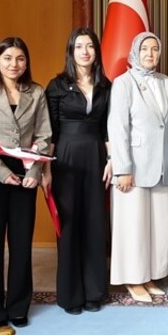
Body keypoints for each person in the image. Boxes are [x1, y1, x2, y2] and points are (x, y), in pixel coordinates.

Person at [0, 37, 52, 329]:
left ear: (26, 62)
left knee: (21, 243)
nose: (13, 64)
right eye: (7, 58)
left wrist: (34, 171)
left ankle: (18, 306)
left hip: (26, 171)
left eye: (19, 58)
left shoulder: (36, 92)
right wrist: (1, 172)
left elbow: (44, 136)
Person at [46, 28, 112, 315]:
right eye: (79, 47)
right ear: (71, 52)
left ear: (96, 52)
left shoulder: (105, 85)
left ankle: (94, 291)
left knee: (95, 224)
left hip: (97, 156)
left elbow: (108, 128)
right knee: (70, 225)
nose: (85, 52)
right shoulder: (57, 85)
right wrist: (46, 168)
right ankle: (71, 295)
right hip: (65, 158)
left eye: (90, 46)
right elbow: (48, 131)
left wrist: (113, 160)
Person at [108, 31, 168, 303]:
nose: (150, 54)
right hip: (133, 168)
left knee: (157, 226)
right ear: (135, 52)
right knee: (133, 225)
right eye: (145, 49)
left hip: (160, 164)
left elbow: (167, 125)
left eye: (155, 49)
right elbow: (118, 127)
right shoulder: (124, 83)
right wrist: (123, 168)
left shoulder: (166, 82)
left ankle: (149, 274)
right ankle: (133, 279)